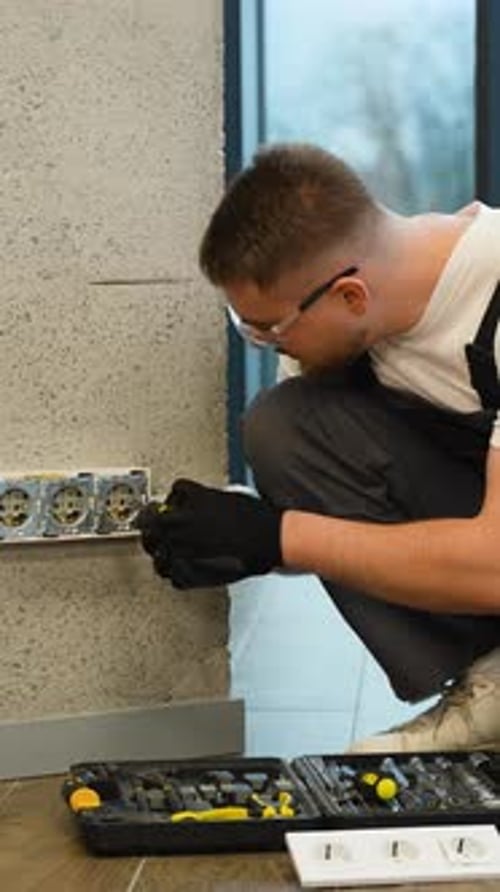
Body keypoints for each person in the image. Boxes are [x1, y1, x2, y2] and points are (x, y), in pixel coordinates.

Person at [137, 143, 500, 753]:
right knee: (285, 425)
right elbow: (349, 515)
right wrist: (246, 541)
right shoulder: (364, 321)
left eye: (272, 329)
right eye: (246, 326)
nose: (269, 346)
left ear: (350, 296)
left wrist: (283, 534)